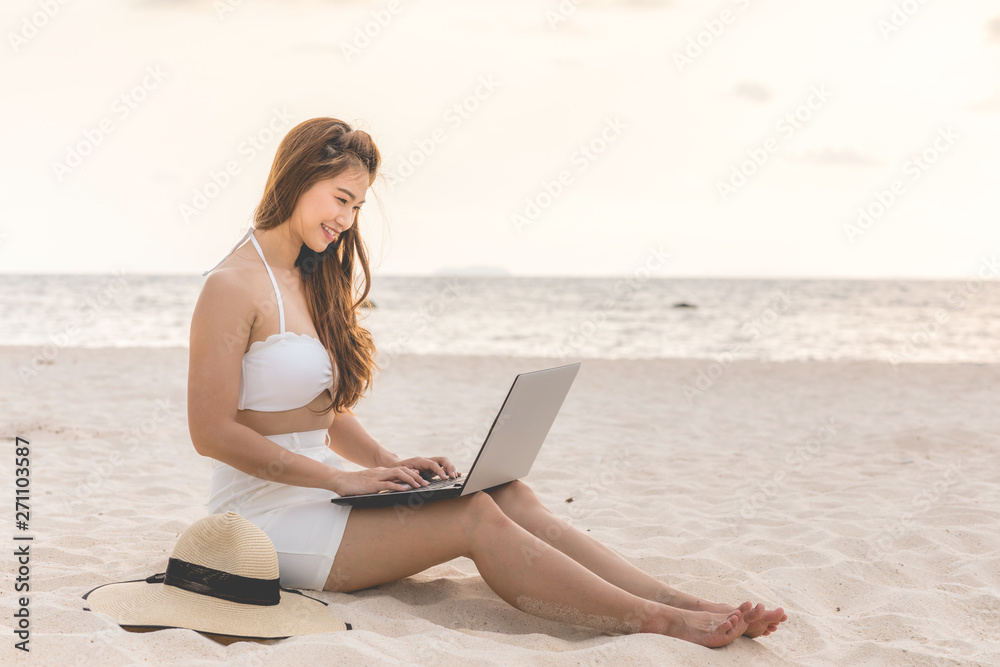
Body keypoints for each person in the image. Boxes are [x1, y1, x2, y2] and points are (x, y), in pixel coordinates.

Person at [188, 117, 787, 648]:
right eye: (340, 199)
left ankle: (685, 602)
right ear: (295, 179)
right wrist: (339, 477)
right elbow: (211, 432)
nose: (346, 221)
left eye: (357, 207)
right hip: (260, 521)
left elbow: (318, 409)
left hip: (326, 494)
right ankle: (658, 622)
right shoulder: (232, 285)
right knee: (474, 515)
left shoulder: (311, 275)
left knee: (507, 491)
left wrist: (391, 466)